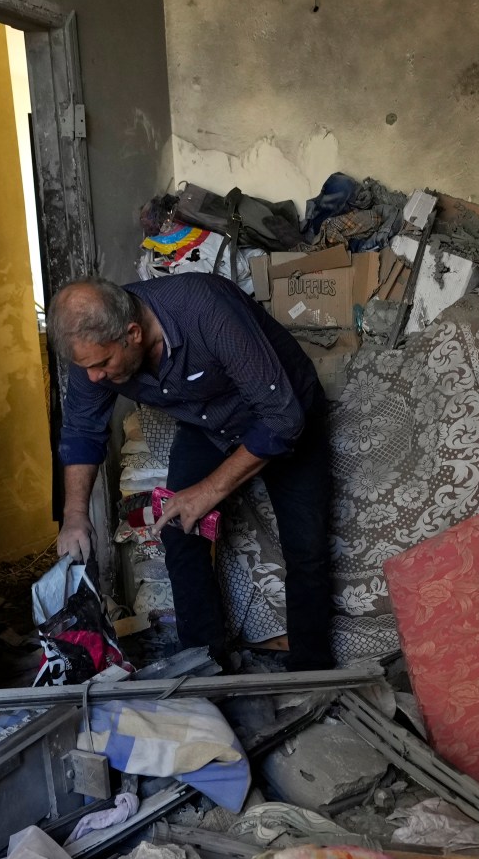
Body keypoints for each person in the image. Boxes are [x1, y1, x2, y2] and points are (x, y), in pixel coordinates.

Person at [49, 274, 335, 671]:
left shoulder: (205, 309)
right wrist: (75, 515)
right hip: (211, 426)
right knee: (178, 528)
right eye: (87, 367)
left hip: (284, 413)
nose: (94, 377)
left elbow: (281, 418)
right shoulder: (95, 350)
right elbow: (81, 430)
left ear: (133, 333)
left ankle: (311, 672)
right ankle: (204, 664)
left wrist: (209, 490)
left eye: (102, 365)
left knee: (306, 549)